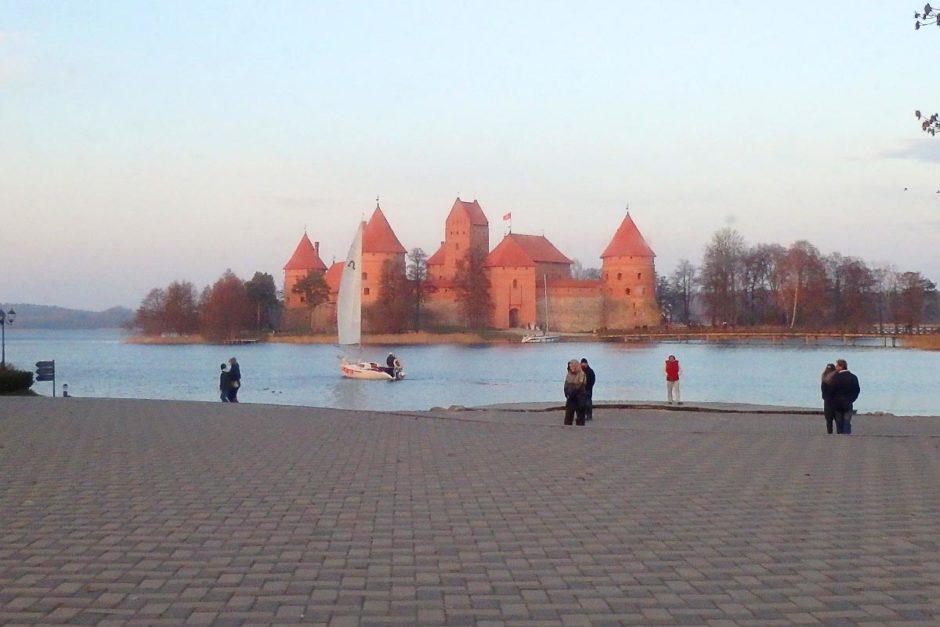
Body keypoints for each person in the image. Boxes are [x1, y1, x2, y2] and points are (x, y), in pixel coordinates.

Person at [830, 358, 860, 434]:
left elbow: (831, 391)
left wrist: (833, 400)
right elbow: (857, 390)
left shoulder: (835, 377)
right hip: (848, 402)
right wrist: (852, 399)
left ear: (841, 367)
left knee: (839, 421)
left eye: (837, 365)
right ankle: (847, 436)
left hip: (837, 403)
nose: (835, 367)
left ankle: (840, 436)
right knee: (847, 420)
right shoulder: (853, 377)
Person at [563, 359, 587, 426]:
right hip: (570, 398)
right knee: (568, 416)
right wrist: (567, 394)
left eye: (572, 366)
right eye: (570, 367)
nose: (571, 368)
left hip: (579, 398)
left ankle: (580, 428)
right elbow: (566, 385)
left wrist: (571, 394)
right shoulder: (569, 375)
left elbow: (579, 386)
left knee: (580, 416)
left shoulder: (582, 374)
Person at [820, 363, 836, 434]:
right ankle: (840, 433)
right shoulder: (836, 378)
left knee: (829, 419)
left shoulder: (824, 379)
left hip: (828, 401)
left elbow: (823, 391)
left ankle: (829, 432)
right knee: (838, 419)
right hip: (836, 401)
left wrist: (825, 397)